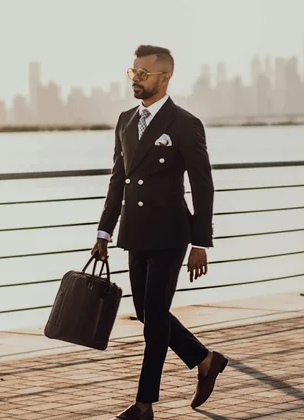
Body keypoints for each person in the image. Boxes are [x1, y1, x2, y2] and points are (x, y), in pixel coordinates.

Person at [92, 45, 228, 419]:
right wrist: (104, 232)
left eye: (142, 74)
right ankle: (205, 359)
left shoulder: (184, 123)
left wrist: (201, 242)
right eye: (132, 72)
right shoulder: (124, 120)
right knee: (145, 311)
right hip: (135, 233)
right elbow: (117, 180)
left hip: (171, 233)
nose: (135, 80)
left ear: (164, 77)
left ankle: (144, 404)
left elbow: (203, 185)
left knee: (154, 315)